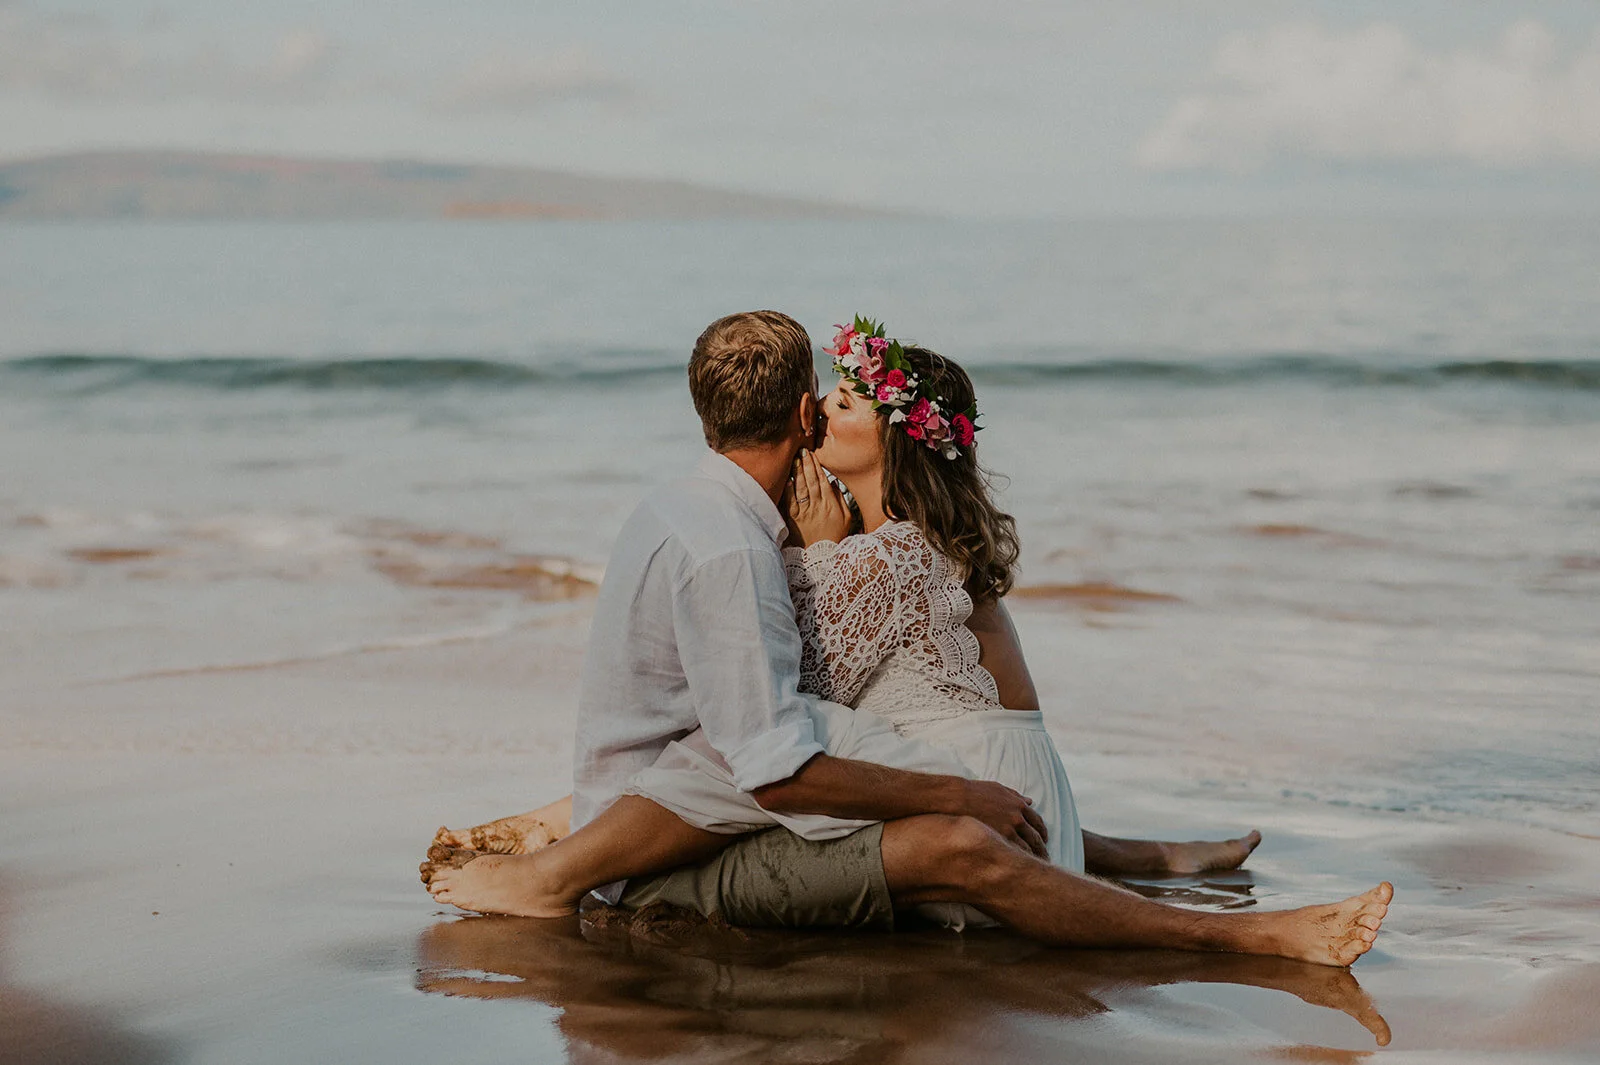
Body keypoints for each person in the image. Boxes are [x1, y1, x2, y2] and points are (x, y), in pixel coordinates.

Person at [423, 311, 1391, 967]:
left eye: (847, 403)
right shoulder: (893, 545)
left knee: (770, 729)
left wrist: (814, 549)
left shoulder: (866, 554)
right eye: (828, 397)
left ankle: (556, 861)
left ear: (885, 439)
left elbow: (776, 743)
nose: (825, 415)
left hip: (991, 802)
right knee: (780, 725)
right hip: (1005, 781)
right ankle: (1137, 858)